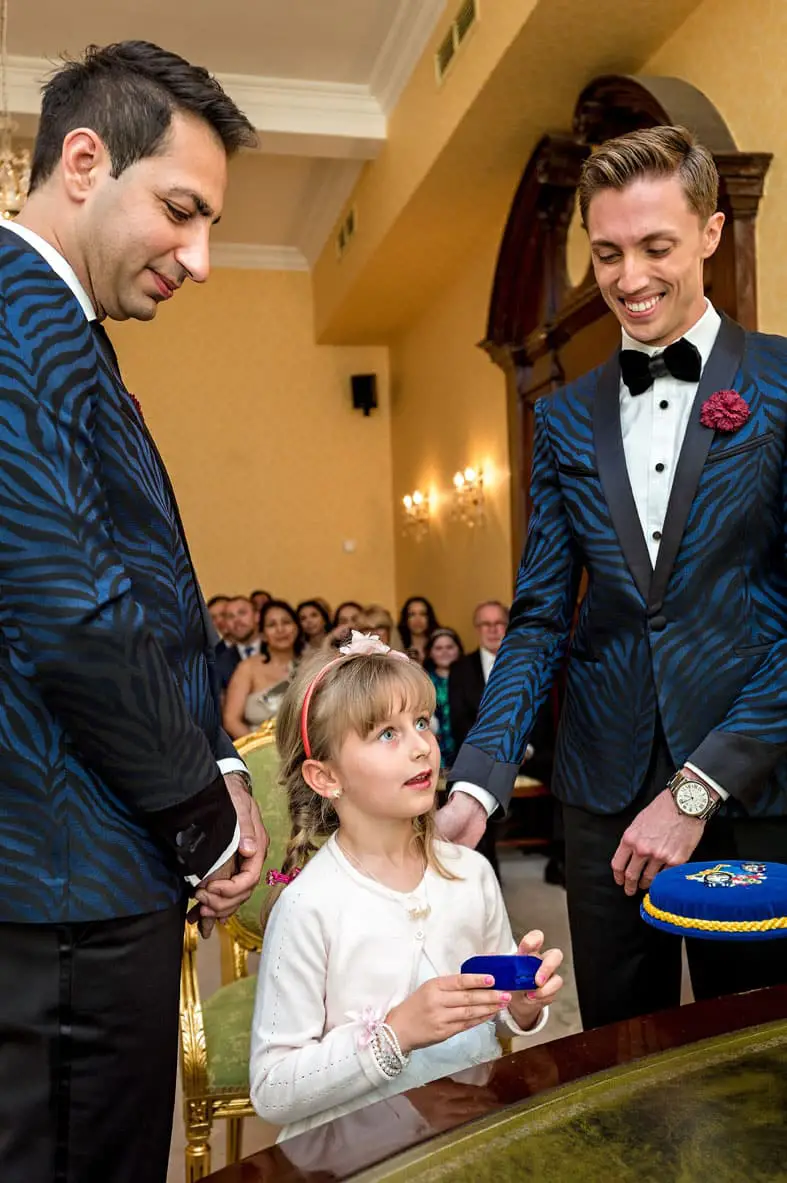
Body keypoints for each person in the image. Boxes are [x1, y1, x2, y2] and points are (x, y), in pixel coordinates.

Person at [444, 125, 787, 1031]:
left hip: (747, 786)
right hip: (597, 790)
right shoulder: (560, 416)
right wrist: (476, 778)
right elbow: (540, 619)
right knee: (616, 1049)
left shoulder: (784, 385)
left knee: (748, 1054)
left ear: (711, 232)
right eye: (606, 253)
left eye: (655, 247)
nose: (628, 277)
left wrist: (694, 789)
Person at [0, 41, 267, 1183]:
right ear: (81, 158)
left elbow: (152, 595)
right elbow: (72, 609)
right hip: (64, 877)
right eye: (180, 210)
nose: (200, 259)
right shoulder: (15, 315)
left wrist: (222, 760)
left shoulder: (73, 337)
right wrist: (200, 815)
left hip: (99, 864)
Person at [249, 634, 563, 1140]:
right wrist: (396, 1034)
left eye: (422, 723)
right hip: (357, 1151)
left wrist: (521, 1006)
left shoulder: (471, 874)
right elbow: (272, 1088)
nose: (421, 747)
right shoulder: (309, 906)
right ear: (325, 776)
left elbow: (492, 1016)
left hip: (468, 1131)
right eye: (387, 735)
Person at [223, 599, 303, 737]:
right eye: (272, 625)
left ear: (296, 628)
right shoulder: (248, 668)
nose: (280, 630)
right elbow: (231, 721)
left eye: (286, 622)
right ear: (263, 635)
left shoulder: (311, 665)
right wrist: (259, 750)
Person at [424, 628, 465, 768]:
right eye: (438, 648)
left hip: (467, 747)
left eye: (449, 647)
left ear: (458, 649)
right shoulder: (424, 681)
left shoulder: (471, 677)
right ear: (430, 652)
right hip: (436, 748)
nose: (444, 652)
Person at [216, 594, 261, 691]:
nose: (237, 620)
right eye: (230, 616)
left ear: (257, 616)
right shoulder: (219, 662)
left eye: (242, 613)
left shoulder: (279, 649)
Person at [398, 595, 440, 664]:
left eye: (423, 614)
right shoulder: (398, 649)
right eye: (412, 614)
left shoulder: (439, 647)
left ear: (429, 618)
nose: (418, 620)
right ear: (406, 619)